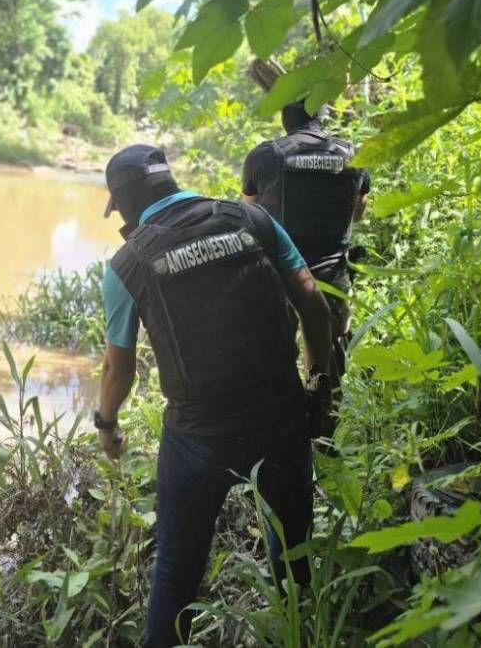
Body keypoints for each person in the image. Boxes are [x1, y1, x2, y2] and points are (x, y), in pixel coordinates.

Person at [94, 144, 333, 648]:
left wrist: (106, 424)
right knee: (293, 550)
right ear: (168, 181)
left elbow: (119, 370)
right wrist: (318, 383)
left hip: (198, 439)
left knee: (177, 574)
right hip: (282, 416)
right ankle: (298, 630)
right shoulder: (252, 219)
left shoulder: (126, 263)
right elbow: (313, 302)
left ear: (124, 204)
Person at [241, 101, 370, 394]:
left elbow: (249, 217)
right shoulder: (352, 155)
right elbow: (358, 213)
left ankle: (285, 421)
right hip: (333, 278)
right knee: (328, 362)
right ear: (322, 118)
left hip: (280, 278)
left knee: (276, 357)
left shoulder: (264, 156)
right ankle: (321, 417)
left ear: (285, 120)